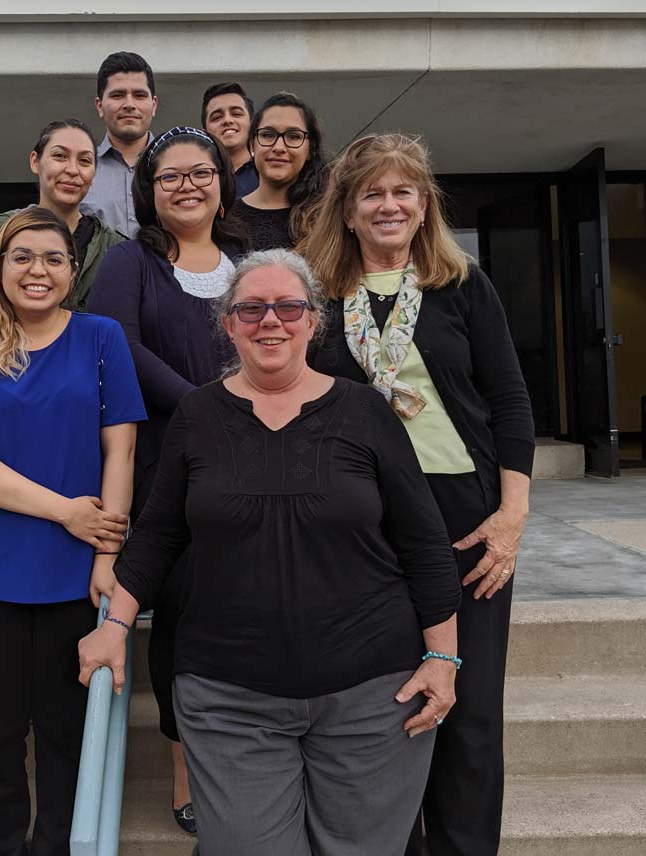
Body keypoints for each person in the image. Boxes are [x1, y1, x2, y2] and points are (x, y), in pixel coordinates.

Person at [79, 248, 463, 856]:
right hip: (229, 696)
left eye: (288, 306)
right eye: (251, 308)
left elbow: (423, 542)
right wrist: (114, 625)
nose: (270, 321)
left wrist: (444, 659)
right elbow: (157, 536)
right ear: (228, 323)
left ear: (314, 320)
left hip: (371, 693)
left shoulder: (366, 411)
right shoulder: (197, 415)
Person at [298, 133, 535, 856]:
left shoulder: (461, 286)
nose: (389, 205)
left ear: (423, 205)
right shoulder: (317, 297)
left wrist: (512, 514)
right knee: (387, 702)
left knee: (469, 711)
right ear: (346, 211)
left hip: (464, 515)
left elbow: (510, 399)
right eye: (372, 192)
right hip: (359, 522)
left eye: (403, 192)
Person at [0, 207, 146, 856]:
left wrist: (106, 552)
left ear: (72, 271)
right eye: (21, 256)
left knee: (65, 726)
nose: (38, 270)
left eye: (53, 258)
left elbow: (122, 452)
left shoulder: (102, 338)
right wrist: (66, 511)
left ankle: (56, 846)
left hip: (77, 566)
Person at [87, 125, 248, 835]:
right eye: (169, 176)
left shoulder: (254, 260)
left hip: (260, 462)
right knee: (182, 612)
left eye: (200, 172)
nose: (186, 185)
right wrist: (202, 406)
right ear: (149, 194)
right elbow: (117, 343)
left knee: (251, 608)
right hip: (169, 467)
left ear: (223, 182)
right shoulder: (130, 263)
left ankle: (250, 758)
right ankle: (186, 765)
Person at [0, 119, 125, 316]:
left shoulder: (114, 246)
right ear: (35, 162)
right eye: (60, 156)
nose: (72, 170)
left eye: (85, 161)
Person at [232, 91, 323, 251]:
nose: (279, 147)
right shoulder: (226, 220)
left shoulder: (327, 216)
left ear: (310, 149)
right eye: (268, 135)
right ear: (253, 144)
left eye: (293, 136)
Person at [80, 51, 158, 236]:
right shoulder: (80, 172)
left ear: (153, 105)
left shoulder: (179, 169)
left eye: (139, 95)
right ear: (100, 106)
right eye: (118, 95)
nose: (129, 104)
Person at [201, 81, 258, 198]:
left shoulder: (267, 172)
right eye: (217, 117)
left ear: (253, 124)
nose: (227, 120)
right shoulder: (198, 177)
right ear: (205, 132)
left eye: (236, 114)